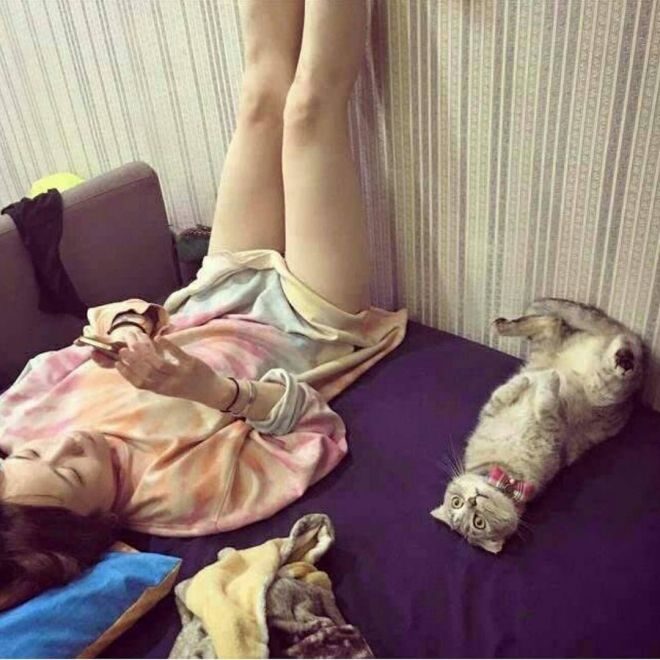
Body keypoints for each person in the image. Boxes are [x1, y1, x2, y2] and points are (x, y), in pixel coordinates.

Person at [0, 0, 406, 610]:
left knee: (260, 97)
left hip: (213, 295)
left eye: (35, 454)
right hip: (307, 319)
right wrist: (212, 391)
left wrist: (129, 328)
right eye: (72, 473)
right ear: (100, 525)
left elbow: (88, 336)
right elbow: (315, 429)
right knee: (308, 110)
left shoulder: (17, 423)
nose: (68, 442)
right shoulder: (177, 496)